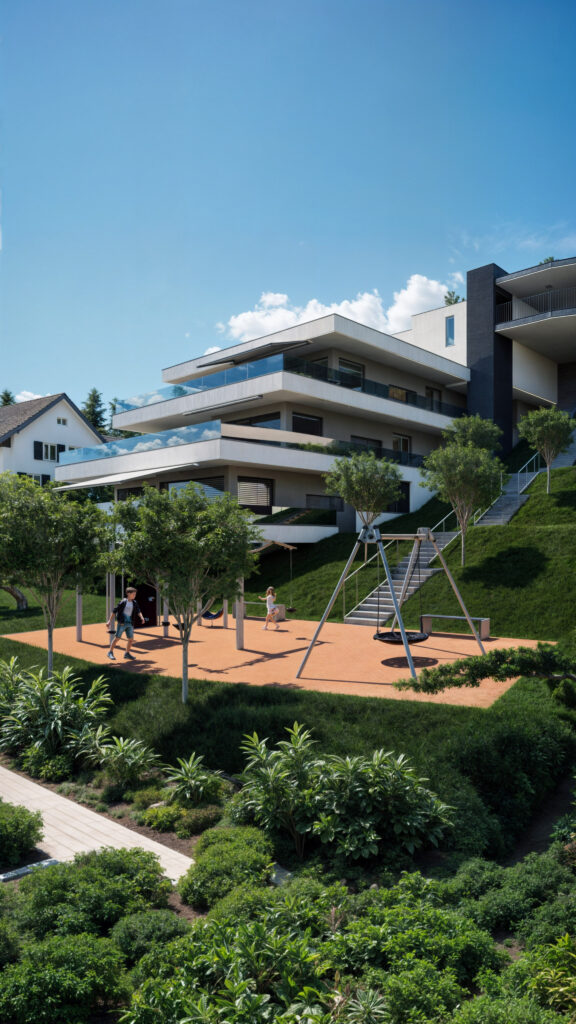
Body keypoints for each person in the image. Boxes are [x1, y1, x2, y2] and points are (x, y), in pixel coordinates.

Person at [106, 587, 145, 660]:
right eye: (133, 594)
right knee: (117, 638)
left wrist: (142, 617)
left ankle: (127, 653)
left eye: (135, 594)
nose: (134, 595)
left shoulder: (134, 602)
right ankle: (110, 652)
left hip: (130, 624)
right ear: (128, 594)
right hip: (122, 623)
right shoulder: (123, 602)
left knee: (130, 639)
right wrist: (109, 621)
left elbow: (138, 611)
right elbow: (114, 611)